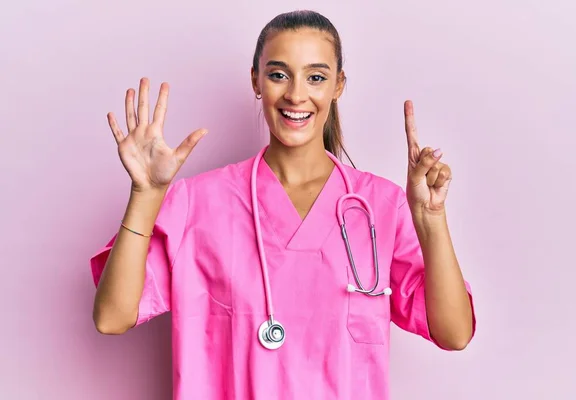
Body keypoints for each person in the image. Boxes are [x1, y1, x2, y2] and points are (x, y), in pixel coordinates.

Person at [90, 9, 476, 400]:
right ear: (256, 81)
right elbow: (112, 317)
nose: (295, 94)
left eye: (316, 77)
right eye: (278, 74)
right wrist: (145, 195)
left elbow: (455, 332)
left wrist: (430, 219)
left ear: (338, 85)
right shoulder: (198, 203)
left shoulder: (380, 205)